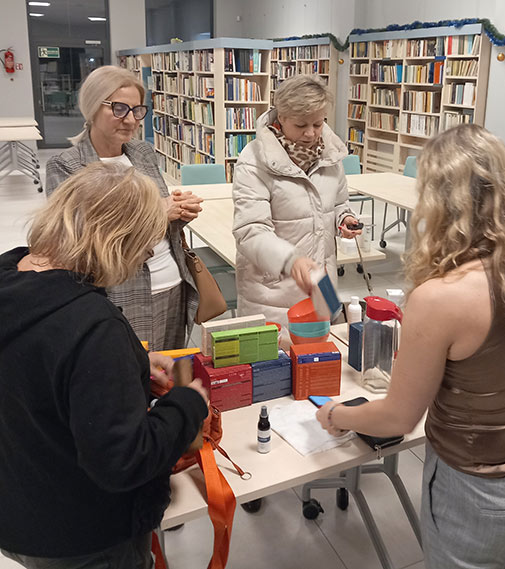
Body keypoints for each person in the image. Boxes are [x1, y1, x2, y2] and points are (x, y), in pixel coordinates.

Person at [316, 124, 505, 569]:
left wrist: (335, 415)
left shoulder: (442, 297)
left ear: (438, 203)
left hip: (474, 491)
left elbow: (398, 416)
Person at [0, 162, 209, 569]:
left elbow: (37, 375)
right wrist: (185, 405)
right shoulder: (93, 326)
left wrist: (127, 364)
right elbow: (123, 461)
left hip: (20, 508)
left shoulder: (12, 280)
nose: (147, 255)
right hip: (85, 534)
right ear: (117, 241)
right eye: (145, 245)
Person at [46, 65, 203, 351]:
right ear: (92, 108)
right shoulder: (67, 165)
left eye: (137, 110)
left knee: (167, 376)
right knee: (127, 379)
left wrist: (179, 212)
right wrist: (157, 212)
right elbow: (76, 238)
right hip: (117, 293)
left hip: (171, 283)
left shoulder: (143, 154)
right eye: (119, 108)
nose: (130, 120)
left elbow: (161, 221)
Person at [232, 74, 361, 333]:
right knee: (279, 366)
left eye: (318, 123)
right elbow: (250, 231)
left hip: (320, 286)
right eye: (301, 125)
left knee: (318, 364)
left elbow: (338, 203)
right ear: (281, 118)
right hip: (273, 292)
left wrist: (343, 218)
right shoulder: (254, 161)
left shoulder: (330, 155)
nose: (311, 133)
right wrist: (291, 261)